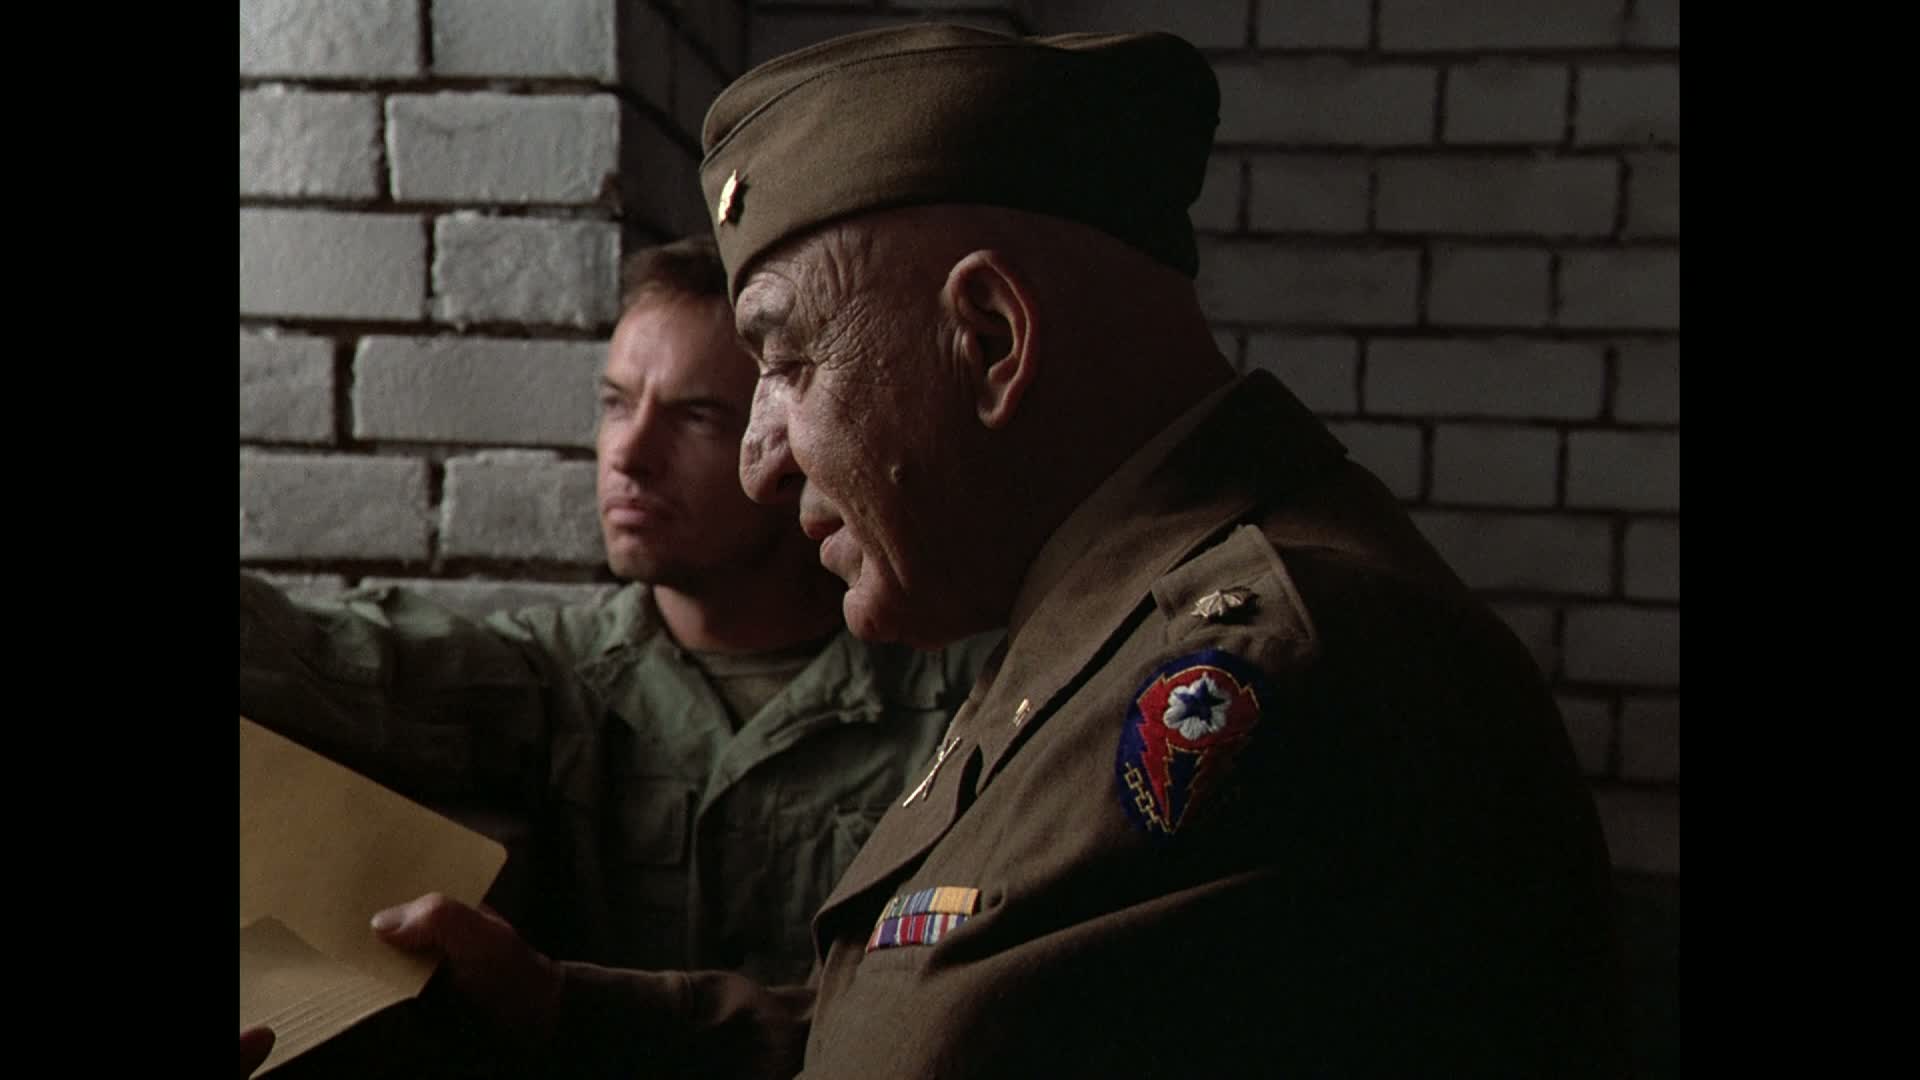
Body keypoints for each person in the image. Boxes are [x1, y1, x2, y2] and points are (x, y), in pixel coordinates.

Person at [353, 24, 1629, 1078]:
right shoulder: (1101, 618)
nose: (759, 461)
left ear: (990, 340)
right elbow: (931, 1016)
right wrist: (561, 1011)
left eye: (787, 363)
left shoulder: (1256, 690)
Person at [239, 235, 1000, 987]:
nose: (628, 455)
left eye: (696, 417)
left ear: (789, 437)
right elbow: (339, 661)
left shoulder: (957, 695)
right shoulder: (562, 675)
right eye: (616, 404)